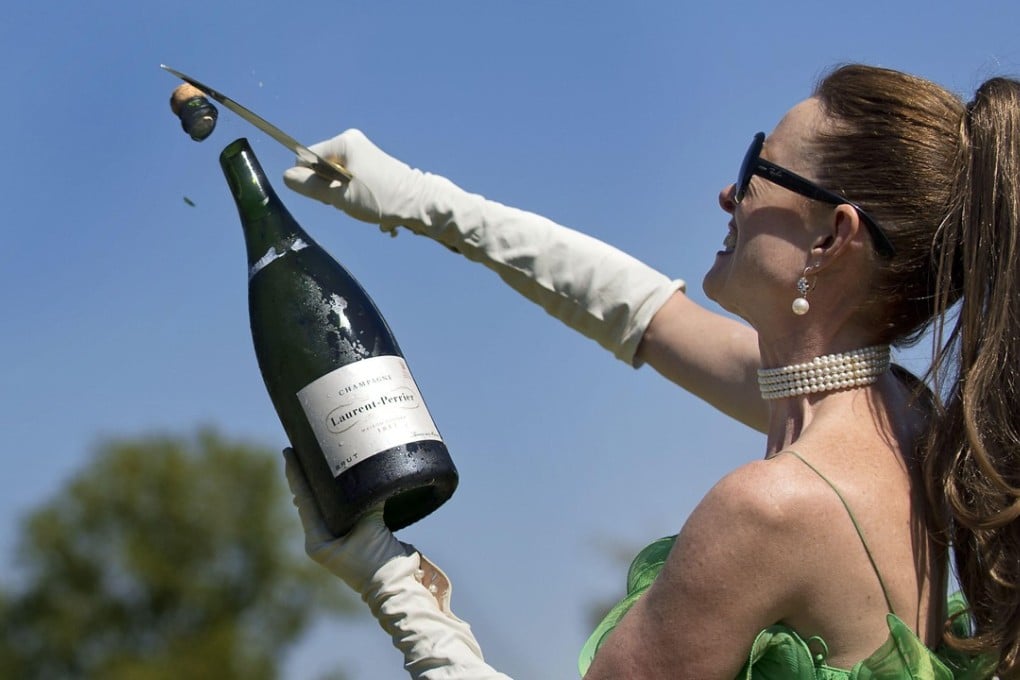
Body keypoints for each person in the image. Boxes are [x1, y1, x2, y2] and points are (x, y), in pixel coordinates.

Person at [279, 63, 1019, 679]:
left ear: (832, 237)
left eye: (757, 168)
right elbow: (640, 312)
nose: (729, 194)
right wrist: (419, 198)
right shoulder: (906, 423)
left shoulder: (772, 510)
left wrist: (391, 583)